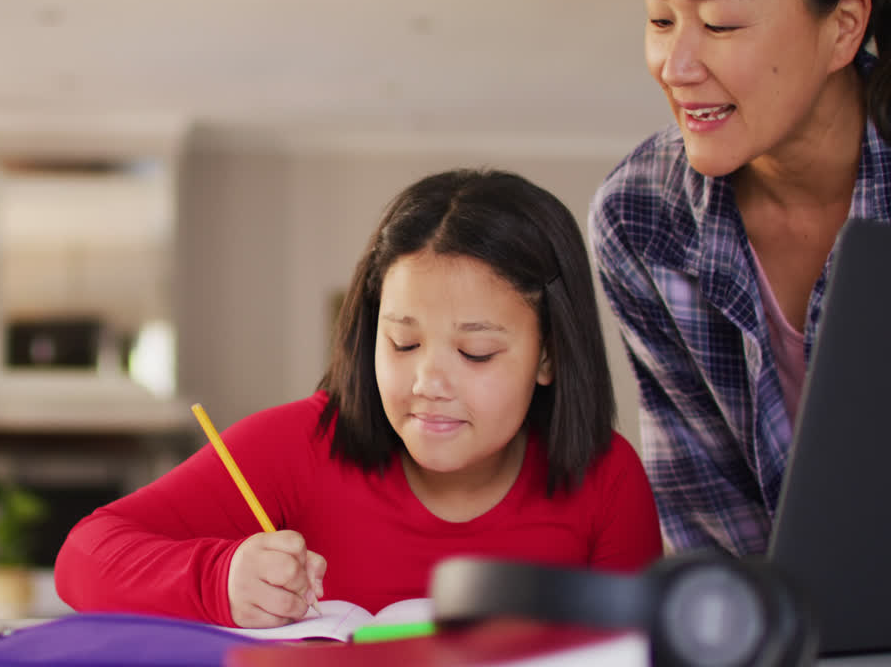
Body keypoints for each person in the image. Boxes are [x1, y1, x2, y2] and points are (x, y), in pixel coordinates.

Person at [56, 168, 662, 628]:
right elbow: (81, 559)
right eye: (401, 343)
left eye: (475, 354)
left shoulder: (605, 481)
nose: (428, 383)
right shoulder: (296, 447)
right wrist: (221, 579)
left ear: (550, 355)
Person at [589, 0, 891, 557]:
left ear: (844, 27)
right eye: (661, 20)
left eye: (721, 24)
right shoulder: (641, 217)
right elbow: (711, 525)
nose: (675, 66)